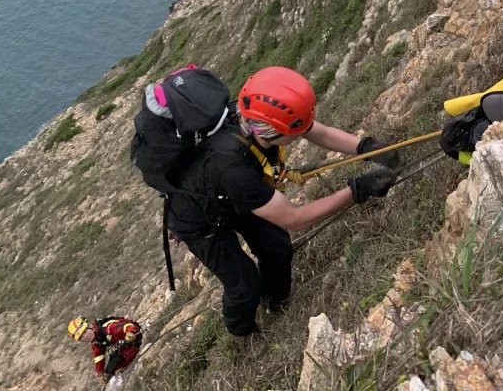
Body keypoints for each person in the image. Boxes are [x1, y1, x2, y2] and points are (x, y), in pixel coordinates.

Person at [166, 66, 399, 337]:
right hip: (199, 220)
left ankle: (275, 304)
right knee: (243, 283)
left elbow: (316, 132)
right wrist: (356, 190)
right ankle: (243, 333)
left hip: (231, 193)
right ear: (273, 131)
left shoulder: (250, 118)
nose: (303, 133)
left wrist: (366, 148)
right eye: (296, 130)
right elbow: (295, 218)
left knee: (277, 248)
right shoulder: (233, 167)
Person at [67, 316, 142, 384]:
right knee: (110, 369)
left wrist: (131, 332)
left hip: (134, 340)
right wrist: (99, 371)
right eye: (81, 337)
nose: (85, 336)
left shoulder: (107, 328)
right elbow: (98, 356)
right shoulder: (95, 341)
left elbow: (126, 326)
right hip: (124, 345)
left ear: (89, 325)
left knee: (113, 364)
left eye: (85, 332)